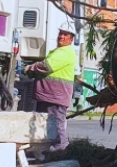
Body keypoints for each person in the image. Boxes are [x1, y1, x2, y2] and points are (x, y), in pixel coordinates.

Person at [24, 22, 78, 152]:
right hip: (49, 96)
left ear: (71, 39)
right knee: (44, 125)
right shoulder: (58, 51)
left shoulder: (66, 52)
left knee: (56, 125)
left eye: (65, 35)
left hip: (55, 97)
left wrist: (31, 68)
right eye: (61, 33)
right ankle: (45, 151)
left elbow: (46, 66)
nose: (62, 36)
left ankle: (61, 149)